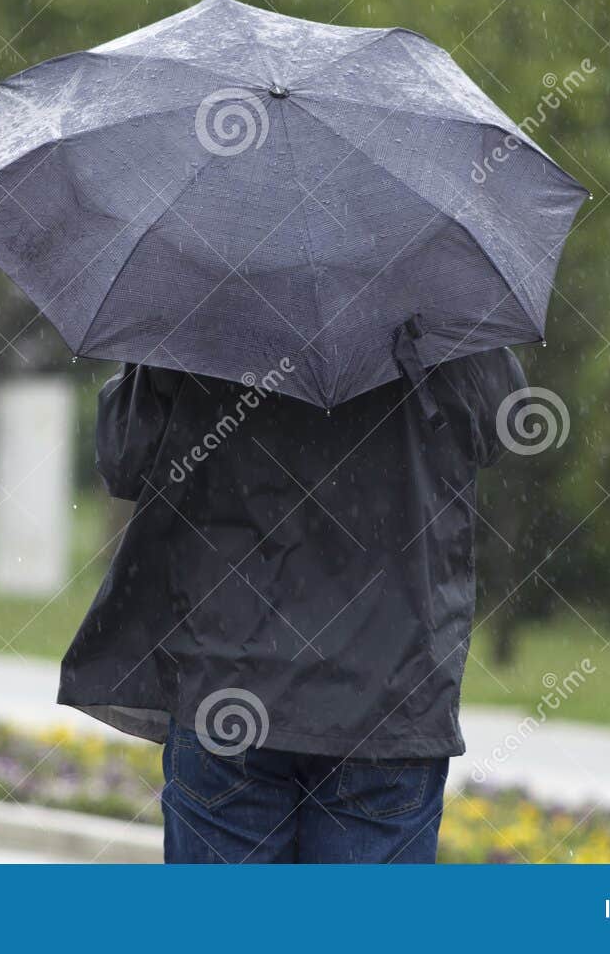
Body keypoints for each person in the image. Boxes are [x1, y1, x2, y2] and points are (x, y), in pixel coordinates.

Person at [58, 328, 528, 864]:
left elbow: (125, 457)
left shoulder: (204, 279)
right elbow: (496, 428)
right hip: (389, 692)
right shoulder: (432, 283)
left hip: (227, 680)